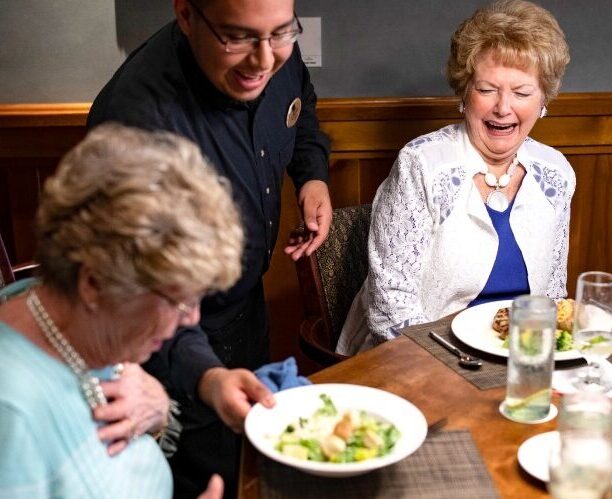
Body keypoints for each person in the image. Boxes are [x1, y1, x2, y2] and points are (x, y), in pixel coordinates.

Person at [87, 0, 331, 495]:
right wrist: (207, 377)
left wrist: (311, 175)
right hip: (165, 347)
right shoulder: (134, 123)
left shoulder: (272, 42)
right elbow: (134, 302)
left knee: (253, 475)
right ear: (185, 14)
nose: (264, 60)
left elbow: (300, 110)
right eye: (237, 38)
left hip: (248, 310)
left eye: (281, 34)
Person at [0, 123, 270, 498]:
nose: (192, 319)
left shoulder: (84, 329)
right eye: (179, 301)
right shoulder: (11, 411)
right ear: (94, 283)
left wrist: (158, 410)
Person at [337, 0, 575, 355]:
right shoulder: (421, 165)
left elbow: (552, 296)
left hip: (520, 354)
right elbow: (391, 310)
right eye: (487, 89)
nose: (503, 107)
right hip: (422, 355)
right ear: (464, 93)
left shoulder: (555, 173)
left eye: (522, 92)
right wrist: (462, 366)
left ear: (543, 100)